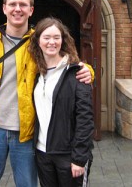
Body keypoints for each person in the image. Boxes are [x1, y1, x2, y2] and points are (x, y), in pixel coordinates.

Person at [0, 0, 93, 187]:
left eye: (23, 4)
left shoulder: (39, 42)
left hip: (26, 133)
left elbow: (66, 62)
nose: (17, 9)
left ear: (31, 10)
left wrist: (88, 70)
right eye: (12, 4)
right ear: (4, 8)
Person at [29, 17, 94, 187]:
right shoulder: (36, 74)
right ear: (38, 41)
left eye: (56, 37)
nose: (52, 42)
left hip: (69, 155)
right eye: (46, 37)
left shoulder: (77, 72)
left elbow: (85, 118)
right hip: (43, 152)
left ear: (63, 40)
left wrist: (79, 158)